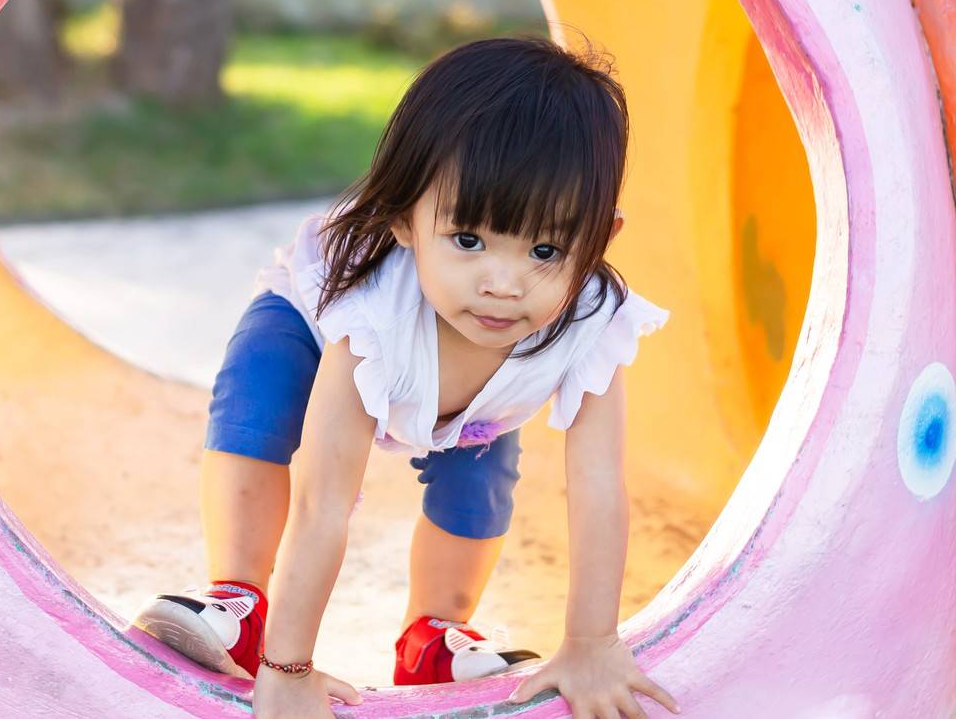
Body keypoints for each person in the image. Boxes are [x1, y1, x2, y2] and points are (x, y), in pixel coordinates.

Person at [132, 35, 682, 718]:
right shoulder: (370, 320)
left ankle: (435, 636)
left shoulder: (592, 317)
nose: (503, 285)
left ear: (599, 237)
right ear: (402, 217)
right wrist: (288, 665)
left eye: (545, 248)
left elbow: (599, 485)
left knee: (479, 480)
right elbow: (324, 502)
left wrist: (592, 641)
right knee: (259, 408)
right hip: (307, 328)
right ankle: (239, 604)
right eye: (468, 240)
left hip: (478, 399)